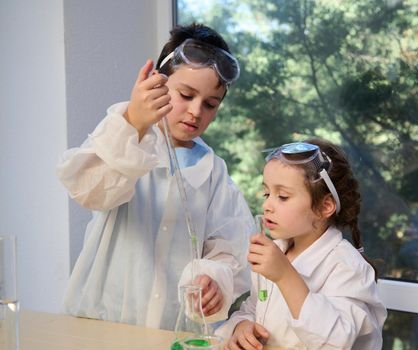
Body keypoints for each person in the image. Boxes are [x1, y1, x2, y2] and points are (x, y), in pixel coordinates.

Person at [56, 23, 253, 330]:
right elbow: (87, 191)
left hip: (171, 331)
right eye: (186, 95)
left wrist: (215, 281)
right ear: (157, 83)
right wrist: (133, 122)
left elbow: (229, 250)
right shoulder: (125, 135)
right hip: (102, 323)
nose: (195, 112)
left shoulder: (213, 172)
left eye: (210, 104)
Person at [216, 139, 387, 349]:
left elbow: (336, 341)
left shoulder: (346, 267)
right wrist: (241, 326)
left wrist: (285, 276)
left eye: (283, 196)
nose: (267, 205)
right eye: (267, 193)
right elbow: (254, 308)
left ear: (325, 207)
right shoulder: (277, 251)